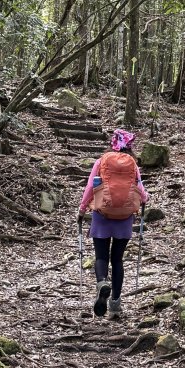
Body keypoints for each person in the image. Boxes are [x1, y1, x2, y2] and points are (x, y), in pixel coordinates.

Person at [78, 128, 149, 318]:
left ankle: (102, 282)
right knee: (117, 260)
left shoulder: (101, 162)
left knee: (101, 257)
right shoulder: (132, 165)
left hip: (102, 214)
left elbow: (90, 187)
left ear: (113, 144)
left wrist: (82, 208)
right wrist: (145, 199)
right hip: (124, 217)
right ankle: (115, 304)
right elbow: (141, 191)